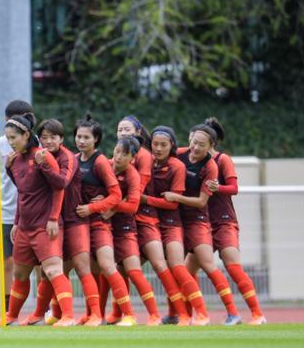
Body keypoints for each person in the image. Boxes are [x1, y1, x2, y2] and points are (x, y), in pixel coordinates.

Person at [0, 112, 76, 327]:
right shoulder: (14, 161)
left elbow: (59, 187)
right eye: (7, 138)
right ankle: (11, 316)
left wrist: (53, 219)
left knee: (53, 270)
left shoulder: (43, 156)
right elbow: (23, 195)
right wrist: (16, 222)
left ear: (26, 134)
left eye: (13, 138)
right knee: (20, 273)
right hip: (24, 227)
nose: (10, 142)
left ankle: (69, 317)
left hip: (45, 226)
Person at [168, 124, 241, 325]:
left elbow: (202, 201)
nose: (196, 146)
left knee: (212, 266)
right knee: (180, 270)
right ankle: (180, 314)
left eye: (201, 144)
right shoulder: (180, 155)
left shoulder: (213, 165)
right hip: (179, 222)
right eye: (193, 141)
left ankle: (237, 313)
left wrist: (175, 197)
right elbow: (162, 153)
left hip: (201, 221)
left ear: (210, 146)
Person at [140, 126, 210, 325]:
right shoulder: (146, 163)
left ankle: (200, 313)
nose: (158, 148)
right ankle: (117, 314)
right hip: (149, 224)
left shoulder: (176, 166)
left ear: (172, 145)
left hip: (171, 225)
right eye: (155, 144)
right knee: (127, 267)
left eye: (164, 144)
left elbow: (172, 202)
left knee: (178, 267)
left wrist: (146, 200)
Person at [202, 117, 266, 325]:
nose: (194, 143)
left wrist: (216, 187)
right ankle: (200, 315)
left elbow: (234, 188)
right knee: (186, 268)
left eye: (200, 140)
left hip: (224, 221)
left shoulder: (223, 160)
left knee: (233, 266)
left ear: (212, 141)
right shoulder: (193, 160)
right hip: (202, 224)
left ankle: (257, 314)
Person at [74, 114, 131, 326]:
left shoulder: (100, 162)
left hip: (99, 224)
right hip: (79, 225)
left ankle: (129, 315)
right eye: (79, 136)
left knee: (108, 266)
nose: (81, 141)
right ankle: (92, 315)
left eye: (86, 137)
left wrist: (92, 207)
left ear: (96, 139)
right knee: (86, 270)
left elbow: (116, 195)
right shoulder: (73, 159)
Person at [101, 137, 162, 325]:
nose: (118, 156)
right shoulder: (104, 165)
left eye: (124, 154)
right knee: (106, 272)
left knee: (133, 271)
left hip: (125, 228)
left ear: (132, 158)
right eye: (117, 151)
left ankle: (154, 315)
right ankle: (98, 315)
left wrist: (112, 205)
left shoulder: (132, 175)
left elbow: (133, 206)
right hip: (104, 226)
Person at [22, 118, 77, 326]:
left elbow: (61, 182)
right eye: (44, 137)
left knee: (77, 268)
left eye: (53, 137)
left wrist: (43, 165)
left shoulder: (67, 157)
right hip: (50, 221)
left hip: (72, 219)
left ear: (61, 139)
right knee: (48, 270)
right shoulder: (36, 155)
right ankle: (44, 313)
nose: (48, 141)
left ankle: (86, 315)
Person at [0, 101, 27, 315]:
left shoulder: (38, 145)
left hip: (33, 213)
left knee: (38, 263)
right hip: (6, 213)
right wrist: (5, 197)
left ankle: (45, 308)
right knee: (7, 262)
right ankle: (8, 311)